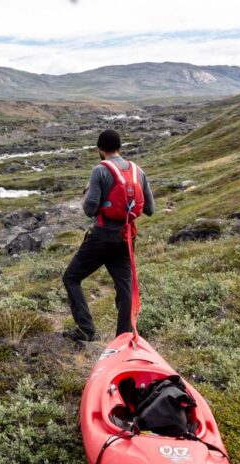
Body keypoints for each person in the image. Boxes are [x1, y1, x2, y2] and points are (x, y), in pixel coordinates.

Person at [62, 129, 155, 342]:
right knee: (124, 288)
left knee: (71, 277)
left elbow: (90, 209)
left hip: (102, 236)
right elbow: (150, 209)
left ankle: (85, 329)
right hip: (126, 238)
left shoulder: (100, 171)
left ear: (100, 149)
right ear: (119, 147)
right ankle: (123, 337)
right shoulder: (137, 171)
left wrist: (87, 193)